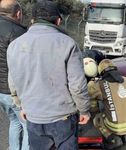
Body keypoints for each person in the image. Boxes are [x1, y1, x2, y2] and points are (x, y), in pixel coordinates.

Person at [7, 1, 90, 150]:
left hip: (33, 116)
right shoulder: (68, 43)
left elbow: (13, 81)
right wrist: (84, 110)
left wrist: (21, 105)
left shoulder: (14, 45)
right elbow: (77, 85)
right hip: (63, 117)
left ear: (32, 20)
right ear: (58, 20)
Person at [87, 59, 126, 149]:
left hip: (116, 126)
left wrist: (95, 111)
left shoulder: (99, 85)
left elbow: (91, 98)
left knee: (97, 119)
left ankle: (113, 139)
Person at [0, 0, 29, 150]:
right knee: (28, 126)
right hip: (13, 91)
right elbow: (24, 65)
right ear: (18, 13)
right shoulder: (18, 32)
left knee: (15, 121)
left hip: (0, 91)